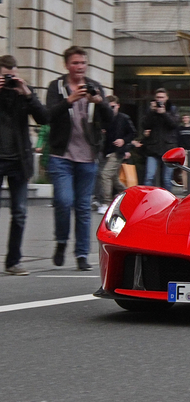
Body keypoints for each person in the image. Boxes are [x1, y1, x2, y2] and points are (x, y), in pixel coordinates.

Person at [46, 46, 113, 271]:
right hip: (61, 156)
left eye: (83, 63)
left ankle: (82, 254)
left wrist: (99, 102)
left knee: (83, 207)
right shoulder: (56, 87)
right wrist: (70, 100)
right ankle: (61, 242)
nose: (79, 67)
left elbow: (109, 119)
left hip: (87, 157)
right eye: (75, 63)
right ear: (67, 65)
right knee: (64, 202)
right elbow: (47, 115)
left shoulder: (94, 87)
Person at [0, 55, 48, 276]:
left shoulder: (23, 93)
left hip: (18, 161)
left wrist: (27, 94)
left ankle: (13, 262)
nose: (9, 79)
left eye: (12, 74)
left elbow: (43, 118)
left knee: (19, 212)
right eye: (4, 75)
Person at [96, 95, 136, 215]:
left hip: (117, 151)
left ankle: (107, 203)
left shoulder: (123, 118)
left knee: (105, 175)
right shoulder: (104, 118)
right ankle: (131, 196)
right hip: (106, 150)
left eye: (113, 106)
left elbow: (133, 132)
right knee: (113, 179)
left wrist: (123, 141)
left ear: (118, 106)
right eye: (109, 107)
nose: (111, 109)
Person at [141, 88, 179, 192]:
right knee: (149, 177)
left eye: (162, 97)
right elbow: (145, 125)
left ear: (166, 98)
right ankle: (146, 200)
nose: (160, 100)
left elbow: (174, 124)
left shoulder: (172, 109)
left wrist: (164, 113)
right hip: (153, 148)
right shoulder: (151, 110)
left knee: (166, 179)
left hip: (168, 148)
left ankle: (169, 202)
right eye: (158, 97)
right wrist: (152, 112)